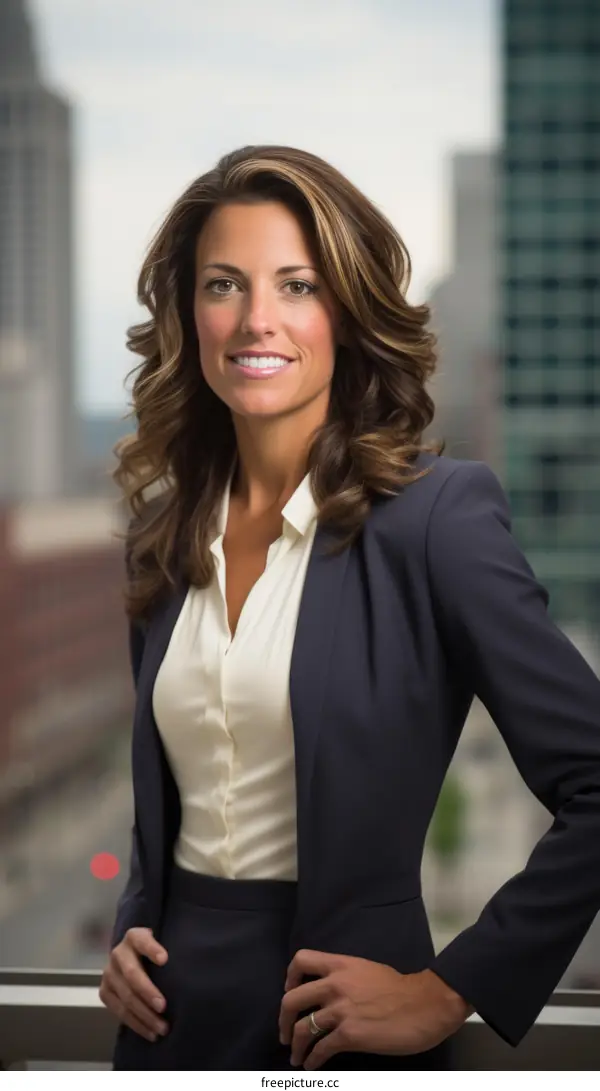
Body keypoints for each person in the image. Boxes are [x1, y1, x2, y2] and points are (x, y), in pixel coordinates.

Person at [99, 144, 600, 1072]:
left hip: (343, 1030)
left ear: (346, 311)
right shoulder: (163, 537)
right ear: (187, 314)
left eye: (297, 284)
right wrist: (134, 919)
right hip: (164, 1028)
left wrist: (454, 988)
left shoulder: (435, 519)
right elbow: (178, 791)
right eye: (223, 284)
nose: (257, 319)